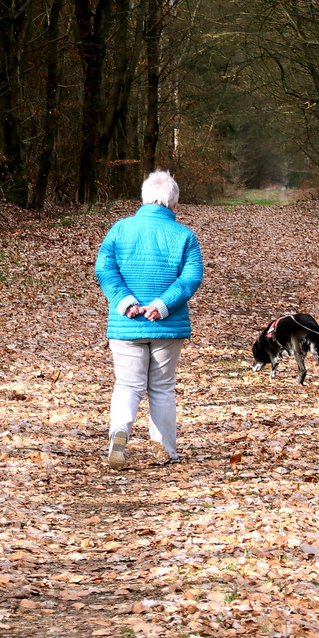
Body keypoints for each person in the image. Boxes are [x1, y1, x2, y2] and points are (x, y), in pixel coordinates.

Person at [94, 170, 203, 469]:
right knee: (162, 388)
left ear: (143, 198)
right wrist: (162, 305)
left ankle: (119, 434)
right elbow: (192, 277)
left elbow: (105, 270)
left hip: (126, 324)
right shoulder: (184, 236)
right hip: (167, 325)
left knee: (128, 385)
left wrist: (125, 302)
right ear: (174, 203)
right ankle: (164, 448)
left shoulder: (119, 229)